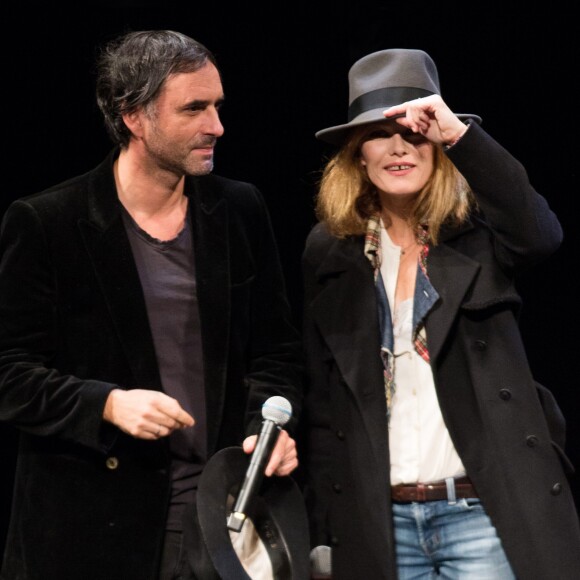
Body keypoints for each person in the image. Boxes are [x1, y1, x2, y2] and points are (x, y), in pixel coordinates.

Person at [0, 29, 304, 580]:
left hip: (223, 517)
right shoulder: (47, 222)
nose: (217, 126)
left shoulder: (238, 210)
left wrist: (271, 425)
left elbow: (275, 350)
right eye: (194, 108)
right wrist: (107, 404)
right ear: (134, 116)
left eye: (217, 106)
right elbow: (11, 375)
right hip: (95, 529)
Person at [299, 48, 580, 579]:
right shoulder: (331, 252)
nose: (399, 147)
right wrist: (324, 530)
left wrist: (458, 134)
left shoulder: (478, 233)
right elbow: (322, 400)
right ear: (358, 155)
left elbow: (541, 235)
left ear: (439, 145)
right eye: (380, 134)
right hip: (382, 522)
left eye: (416, 131)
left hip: (480, 513)